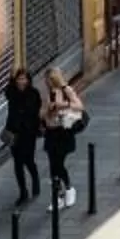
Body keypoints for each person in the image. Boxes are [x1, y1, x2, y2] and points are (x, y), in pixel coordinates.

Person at [40, 68, 86, 211]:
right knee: (53, 166)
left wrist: (63, 105)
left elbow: (80, 106)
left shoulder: (66, 90)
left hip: (64, 132)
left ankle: (69, 189)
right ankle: (58, 197)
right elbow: (44, 116)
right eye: (47, 79)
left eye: (52, 79)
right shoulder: (47, 94)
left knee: (59, 164)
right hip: (51, 132)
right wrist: (48, 111)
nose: (49, 82)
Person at [1, 66, 43, 206]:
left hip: (29, 133)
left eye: (24, 79)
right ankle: (23, 192)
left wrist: (36, 128)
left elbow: (35, 111)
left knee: (29, 160)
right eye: (19, 79)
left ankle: (35, 179)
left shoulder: (33, 93)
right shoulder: (11, 92)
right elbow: (6, 91)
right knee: (18, 163)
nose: (21, 81)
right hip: (14, 132)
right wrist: (11, 77)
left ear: (28, 79)